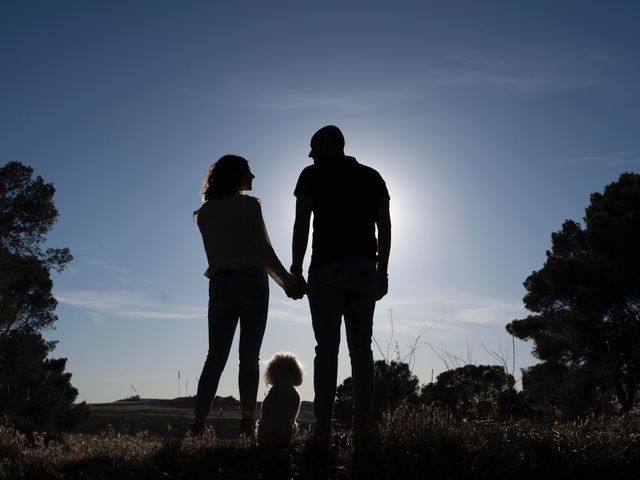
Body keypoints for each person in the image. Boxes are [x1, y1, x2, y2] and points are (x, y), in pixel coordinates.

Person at [192, 155, 304, 438]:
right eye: (248, 172)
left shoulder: (203, 214)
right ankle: (246, 423)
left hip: (220, 285)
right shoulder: (249, 206)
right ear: (236, 176)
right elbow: (264, 253)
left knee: (214, 357)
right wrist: (287, 283)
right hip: (251, 282)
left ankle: (199, 423)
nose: (253, 178)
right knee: (248, 356)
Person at [290, 126, 391, 436]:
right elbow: (385, 227)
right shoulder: (372, 176)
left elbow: (301, 223)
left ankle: (322, 424)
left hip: (325, 271)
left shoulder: (311, 175)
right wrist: (382, 271)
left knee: (327, 349)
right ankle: (362, 424)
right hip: (364, 270)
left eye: (313, 147)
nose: (310, 154)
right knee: (361, 350)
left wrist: (296, 268)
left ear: (328, 145)